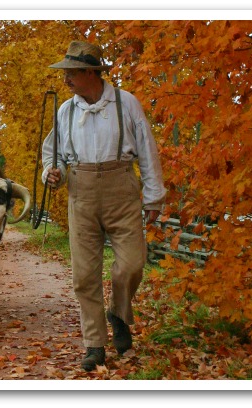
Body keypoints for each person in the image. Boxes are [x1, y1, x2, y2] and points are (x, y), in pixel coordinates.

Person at [41, 40, 166, 372]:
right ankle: (95, 344)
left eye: (71, 72)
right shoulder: (66, 111)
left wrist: (154, 196)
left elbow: (148, 151)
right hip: (81, 194)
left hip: (121, 191)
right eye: (65, 73)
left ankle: (119, 314)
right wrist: (52, 173)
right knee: (84, 276)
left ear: (91, 72)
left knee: (132, 264)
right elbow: (52, 153)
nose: (66, 79)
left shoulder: (126, 104)